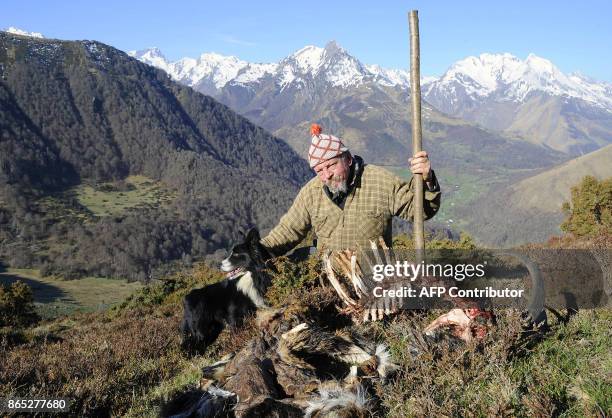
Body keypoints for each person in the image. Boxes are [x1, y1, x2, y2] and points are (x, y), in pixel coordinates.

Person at [261, 124, 440, 256]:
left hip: (374, 280)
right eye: (319, 171)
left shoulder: (380, 181)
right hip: (328, 280)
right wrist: (256, 250)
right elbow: (288, 230)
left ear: (347, 159)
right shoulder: (311, 192)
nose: (326, 176)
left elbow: (420, 211)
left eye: (331, 166)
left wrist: (427, 180)